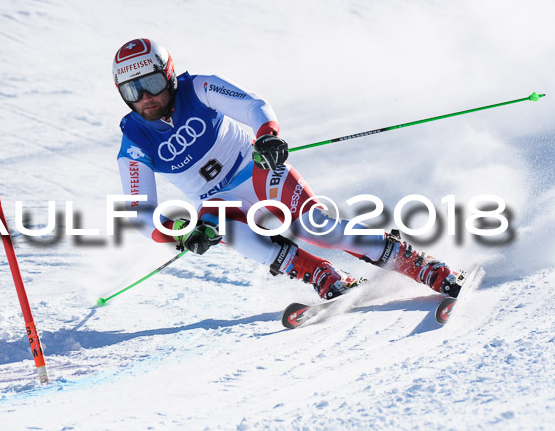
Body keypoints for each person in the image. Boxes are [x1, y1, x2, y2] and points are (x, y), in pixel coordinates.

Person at [113, 38, 461, 300]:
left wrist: (267, 136)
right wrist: (180, 232)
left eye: (153, 84)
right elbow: (142, 214)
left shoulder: (198, 87)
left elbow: (253, 106)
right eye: (133, 90)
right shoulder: (134, 142)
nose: (146, 98)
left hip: (257, 169)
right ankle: (321, 274)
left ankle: (413, 260)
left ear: (169, 74)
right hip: (217, 203)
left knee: (315, 227)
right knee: (238, 236)